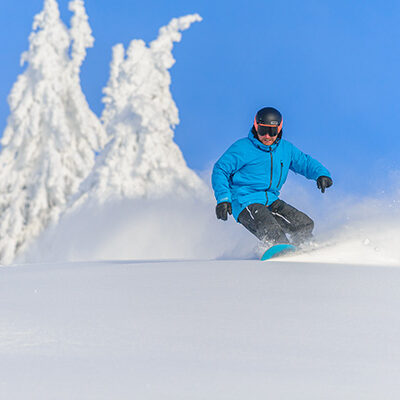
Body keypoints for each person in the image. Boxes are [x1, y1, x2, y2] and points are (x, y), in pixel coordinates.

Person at [211, 107, 332, 247]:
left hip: (271, 200)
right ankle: (279, 252)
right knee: (272, 231)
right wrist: (223, 199)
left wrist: (321, 174)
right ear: (256, 127)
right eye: (263, 130)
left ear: (279, 129)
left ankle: (306, 247)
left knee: (303, 224)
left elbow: (304, 162)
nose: (267, 136)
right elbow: (220, 170)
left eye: (272, 131)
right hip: (245, 201)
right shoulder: (242, 148)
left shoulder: (286, 149)